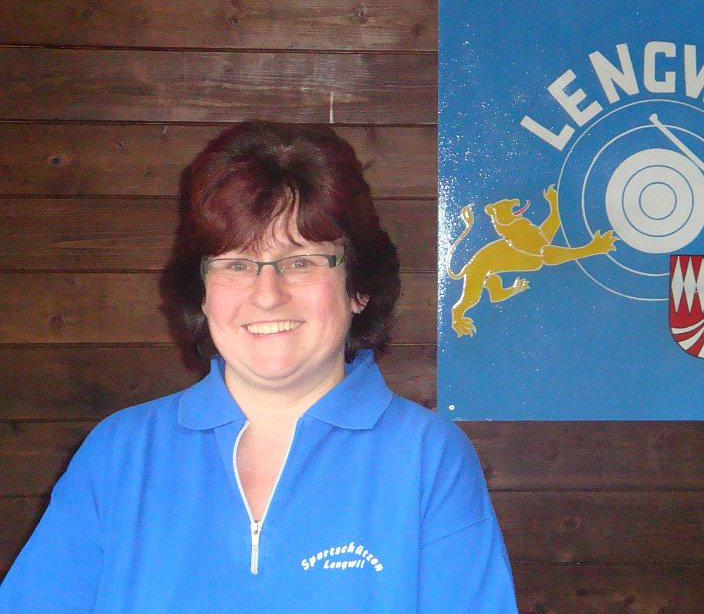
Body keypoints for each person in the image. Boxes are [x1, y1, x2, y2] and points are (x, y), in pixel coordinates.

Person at [0, 121, 518, 613]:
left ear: (358, 288)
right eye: (237, 264)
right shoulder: (119, 453)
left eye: (302, 261)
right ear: (202, 294)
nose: (267, 294)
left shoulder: (428, 458)